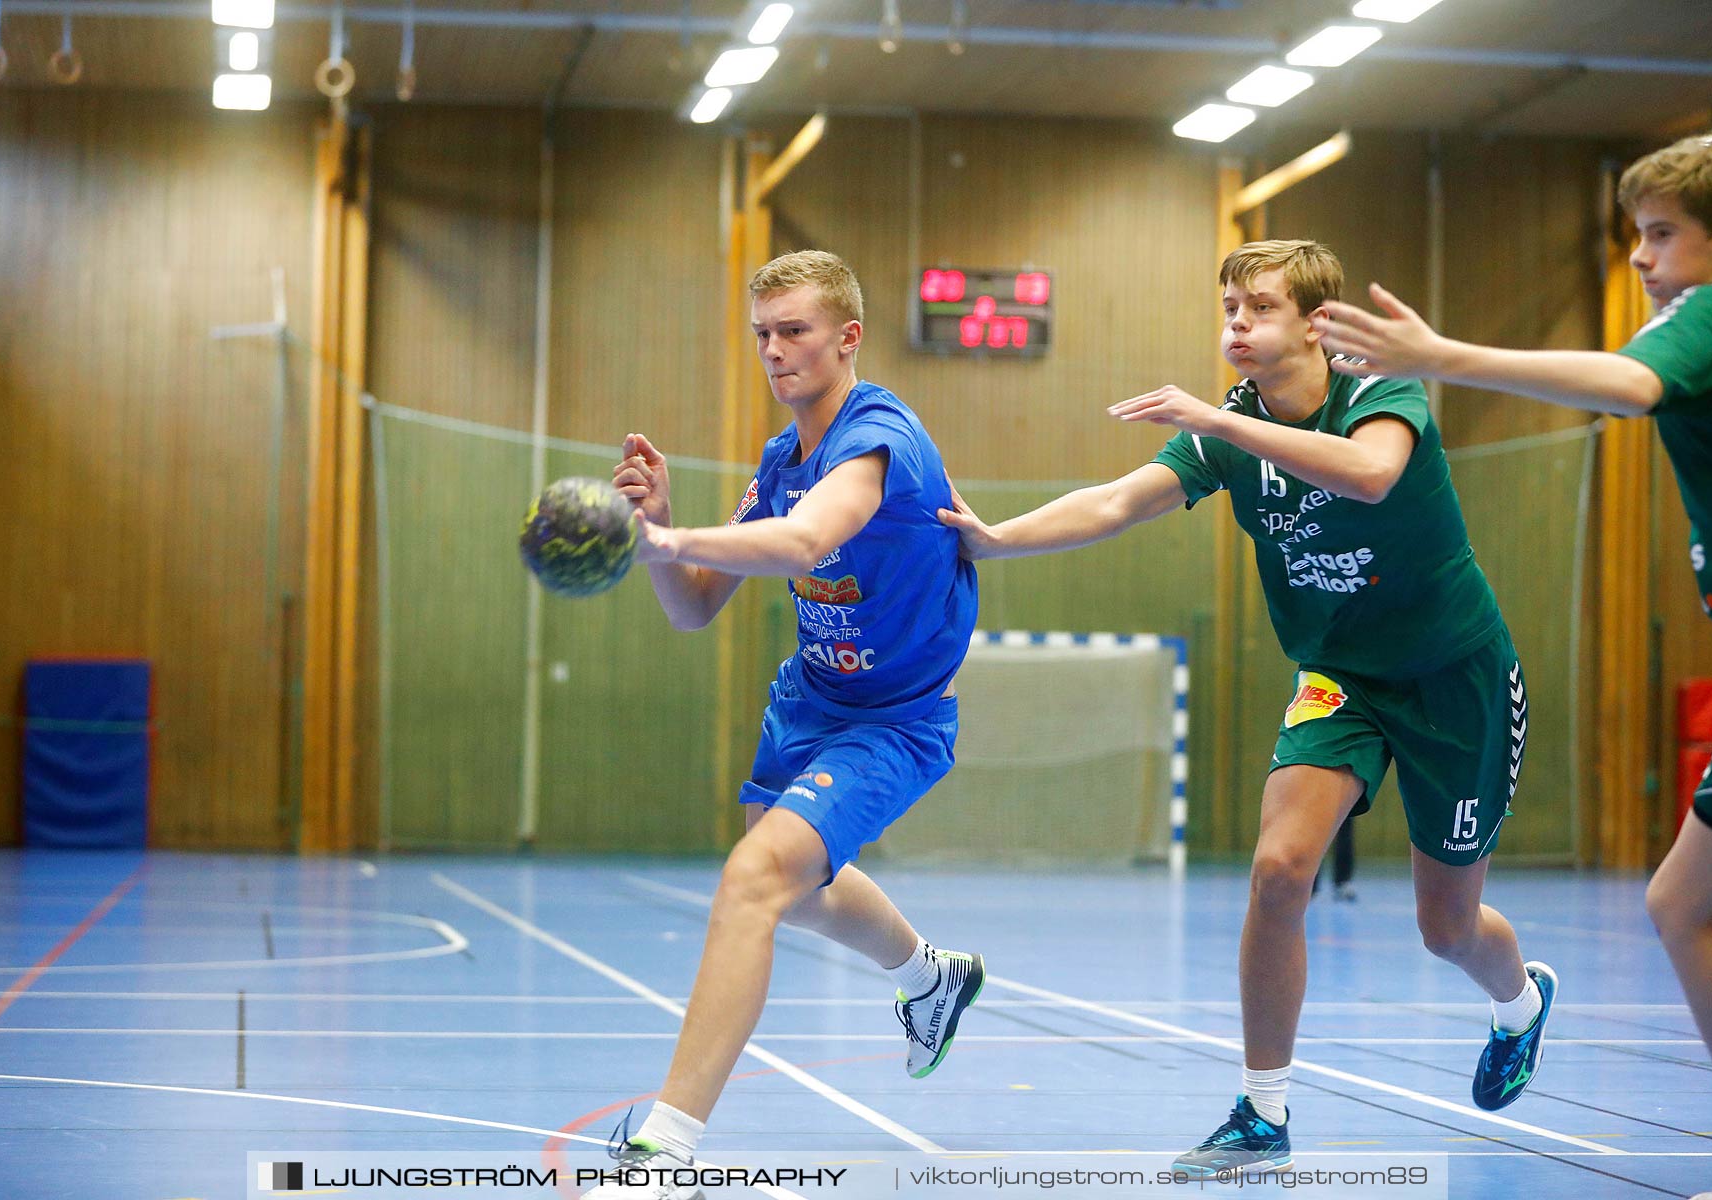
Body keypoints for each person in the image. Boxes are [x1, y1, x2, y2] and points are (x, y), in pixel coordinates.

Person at [940, 239, 1555, 1178]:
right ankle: (1262, 1112)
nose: (1236, 325)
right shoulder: (1224, 430)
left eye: (1258, 308)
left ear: (1314, 321)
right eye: (1228, 308)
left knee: (1448, 929)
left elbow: (1369, 474)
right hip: (1341, 675)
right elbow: (1116, 502)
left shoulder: (1380, 392)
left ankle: (1519, 1003)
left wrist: (1224, 431)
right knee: (1279, 870)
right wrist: (997, 540)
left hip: (1453, 677)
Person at [1316, 132, 1712, 1200]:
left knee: (1686, 907)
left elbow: (1634, 384)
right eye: (1634, 237)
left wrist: (1444, 356)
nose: (1642, 259)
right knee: (1688, 905)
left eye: (1660, 236)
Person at [585, 250, 984, 1200]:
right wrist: (662, 532)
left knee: (754, 878)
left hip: (894, 721)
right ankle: (931, 978)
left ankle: (664, 1148)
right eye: (762, 334)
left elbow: (810, 541)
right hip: (809, 702)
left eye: (795, 330)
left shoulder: (881, 438)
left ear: (847, 337)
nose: (775, 350)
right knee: (795, 891)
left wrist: (674, 538)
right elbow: (693, 610)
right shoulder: (777, 462)